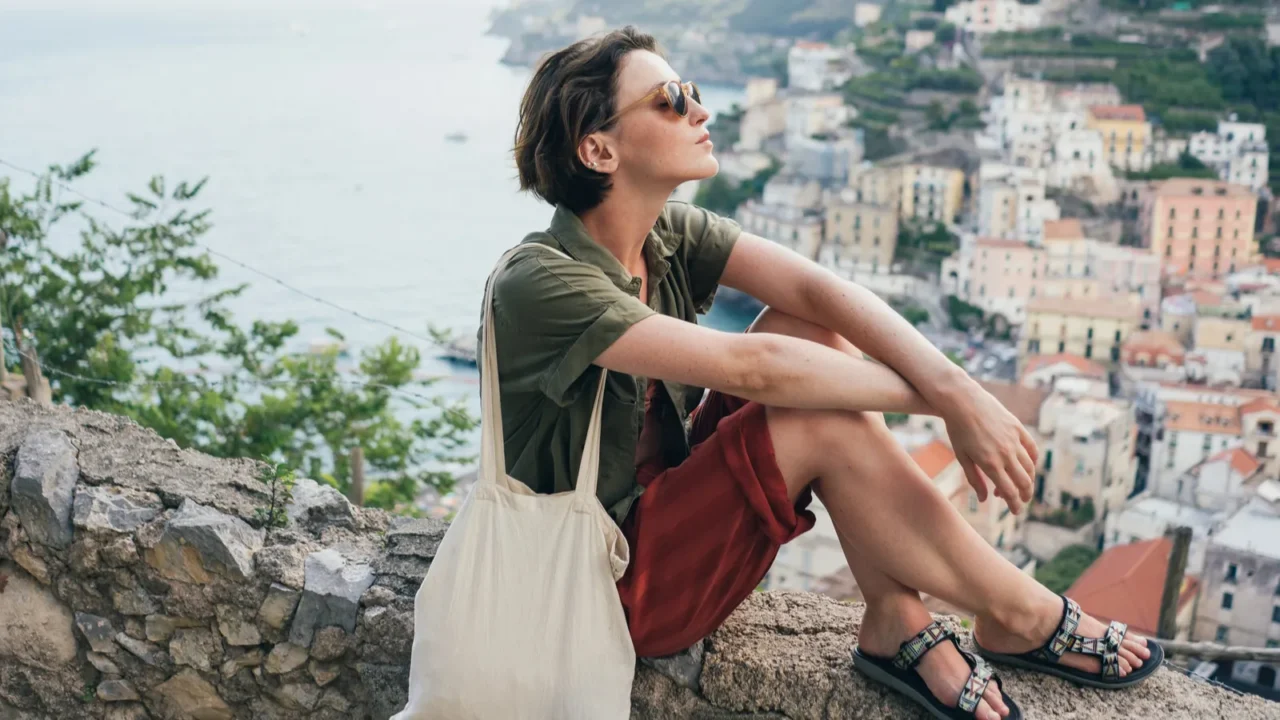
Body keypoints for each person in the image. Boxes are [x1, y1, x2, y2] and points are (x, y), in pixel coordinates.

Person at [491, 26, 1159, 720]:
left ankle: (895, 617)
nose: (700, 110)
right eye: (669, 100)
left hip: (663, 532)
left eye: (690, 91)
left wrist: (958, 387)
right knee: (810, 406)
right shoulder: (539, 281)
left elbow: (817, 293)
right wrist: (947, 405)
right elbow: (760, 369)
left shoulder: (664, 236)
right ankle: (1019, 610)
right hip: (601, 588)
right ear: (598, 150)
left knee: (811, 330)